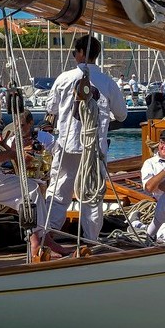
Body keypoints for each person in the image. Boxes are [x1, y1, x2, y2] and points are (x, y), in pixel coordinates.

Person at [0, 71, 65, 259]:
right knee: (31, 189)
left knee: (33, 187)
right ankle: (37, 242)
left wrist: (11, 153)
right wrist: (17, 156)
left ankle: (43, 238)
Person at [43, 34, 129, 244]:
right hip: (94, 147)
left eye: (75, 52)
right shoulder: (107, 82)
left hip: (67, 145)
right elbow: (122, 115)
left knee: (59, 191)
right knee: (91, 196)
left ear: (81, 53)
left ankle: (48, 236)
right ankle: (91, 241)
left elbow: (50, 108)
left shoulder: (64, 79)